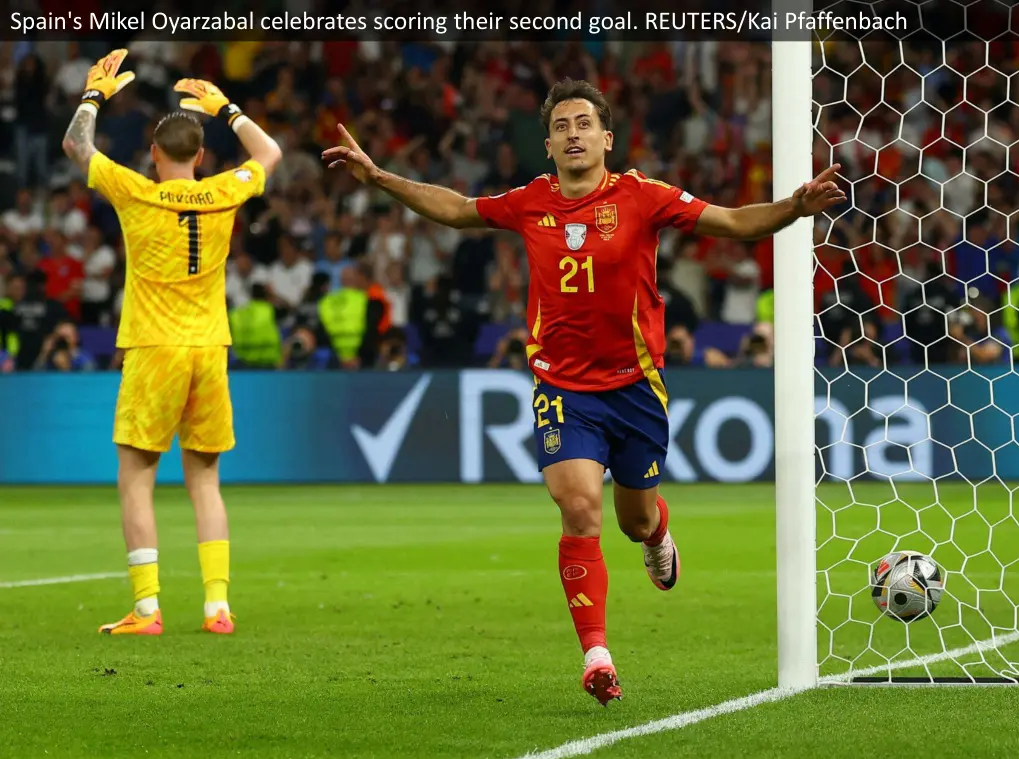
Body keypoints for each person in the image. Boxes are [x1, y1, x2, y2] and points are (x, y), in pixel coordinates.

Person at [322, 78, 845, 705]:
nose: (573, 133)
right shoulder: (531, 201)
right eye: (562, 126)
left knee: (635, 518)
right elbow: (459, 209)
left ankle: (656, 535)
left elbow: (732, 222)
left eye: (583, 124)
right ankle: (596, 654)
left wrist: (795, 205)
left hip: (636, 386)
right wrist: (381, 178)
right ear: (548, 145)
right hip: (563, 386)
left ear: (606, 138)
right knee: (578, 508)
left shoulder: (641, 197)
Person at [61, 50, 281, 636]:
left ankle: (147, 608)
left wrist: (92, 97)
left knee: (136, 476)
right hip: (209, 349)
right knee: (204, 479)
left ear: (155, 154)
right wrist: (227, 107)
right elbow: (270, 154)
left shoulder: (136, 190)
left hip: (155, 347)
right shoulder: (224, 192)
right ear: (201, 156)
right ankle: (217, 606)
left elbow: (77, 148)